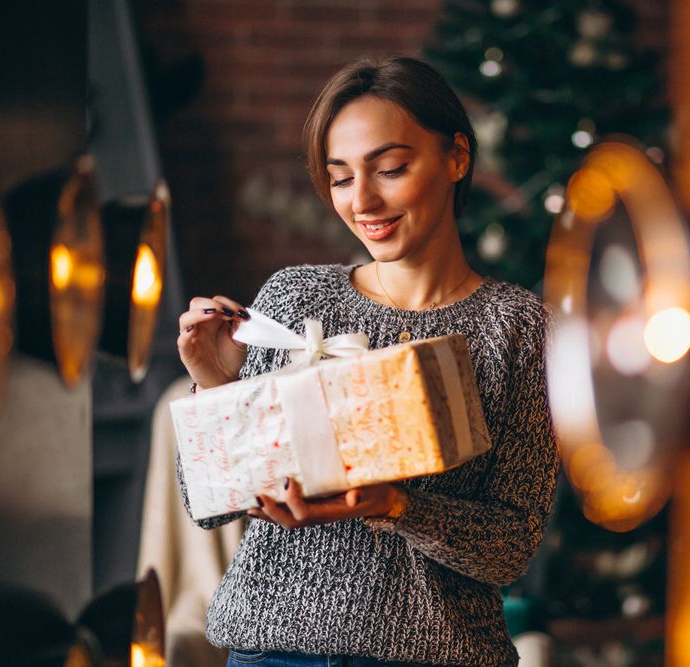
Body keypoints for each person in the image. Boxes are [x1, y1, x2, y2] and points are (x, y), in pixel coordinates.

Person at [176, 55, 559, 667]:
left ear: (457, 157)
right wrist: (214, 382)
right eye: (340, 178)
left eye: (390, 169)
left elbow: (510, 546)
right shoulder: (294, 299)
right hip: (274, 651)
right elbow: (206, 505)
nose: (364, 201)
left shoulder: (517, 330)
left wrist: (397, 506)